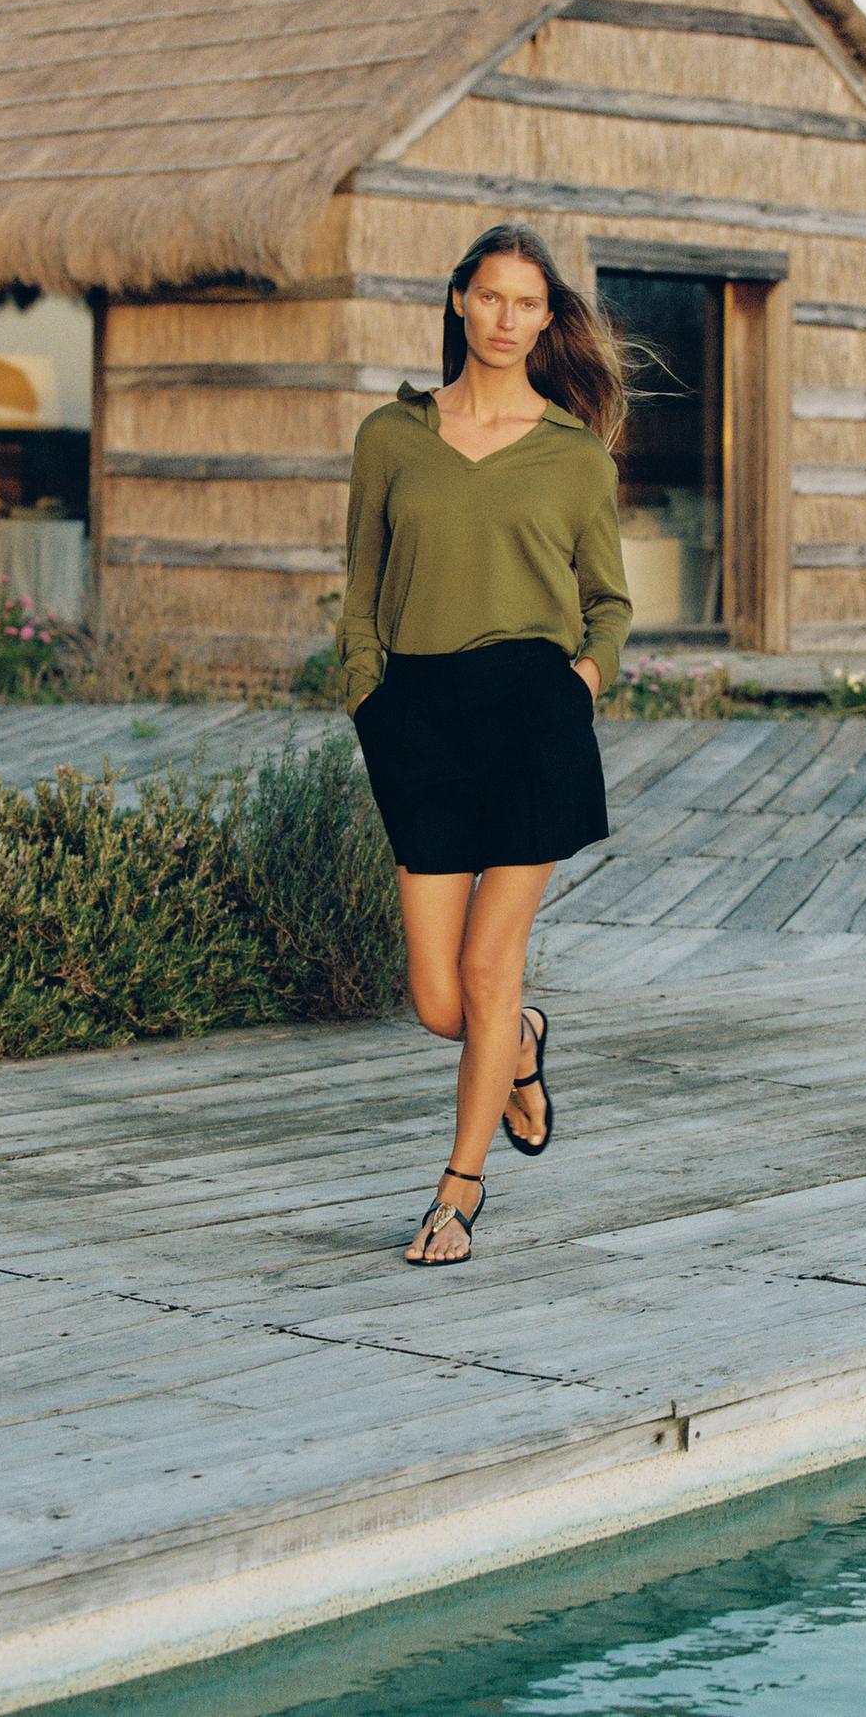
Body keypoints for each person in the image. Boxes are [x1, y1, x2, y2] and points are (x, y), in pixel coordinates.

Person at [333, 221, 635, 1266]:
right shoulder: (391, 436)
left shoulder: (573, 454)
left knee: (486, 963)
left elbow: (609, 603)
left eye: (527, 303)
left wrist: (578, 683)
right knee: (438, 1001)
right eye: (491, 296)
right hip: (413, 716)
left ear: (547, 320)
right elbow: (361, 585)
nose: (507, 318)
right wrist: (366, 695)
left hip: (531, 717)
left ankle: (457, 1191)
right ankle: (522, 1040)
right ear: (459, 299)